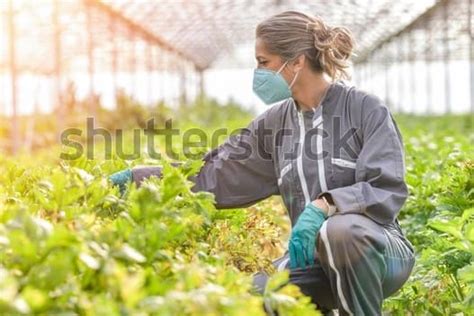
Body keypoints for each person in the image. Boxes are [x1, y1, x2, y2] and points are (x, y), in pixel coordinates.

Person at [110, 11, 415, 316]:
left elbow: (385, 187)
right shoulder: (273, 125)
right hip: (312, 262)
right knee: (251, 297)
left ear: (296, 61)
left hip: (378, 252)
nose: (258, 72)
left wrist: (325, 205)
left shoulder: (365, 109)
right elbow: (213, 173)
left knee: (341, 231)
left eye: (263, 62)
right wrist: (140, 179)